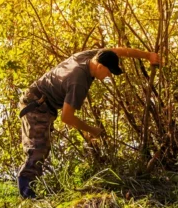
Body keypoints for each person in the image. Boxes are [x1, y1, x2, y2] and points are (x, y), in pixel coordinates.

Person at [18, 48, 160, 198]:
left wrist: (147, 55)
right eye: (108, 71)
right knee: (38, 149)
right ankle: (28, 195)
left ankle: (31, 191)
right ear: (100, 66)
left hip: (41, 101)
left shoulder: (91, 57)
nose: (109, 75)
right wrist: (92, 130)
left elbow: (116, 50)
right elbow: (66, 117)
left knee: (41, 147)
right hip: (36, 105)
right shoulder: (79, 81)